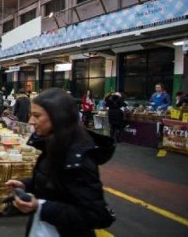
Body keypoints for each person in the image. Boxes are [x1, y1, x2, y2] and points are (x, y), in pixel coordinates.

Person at [6, 88, 116, 237]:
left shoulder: (78, 159)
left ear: (57, 117)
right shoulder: (52, 145)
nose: (31, 121)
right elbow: (56, 182)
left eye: (37, 116)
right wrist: (27, 185)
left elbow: (94, 214)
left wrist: (40, 207)